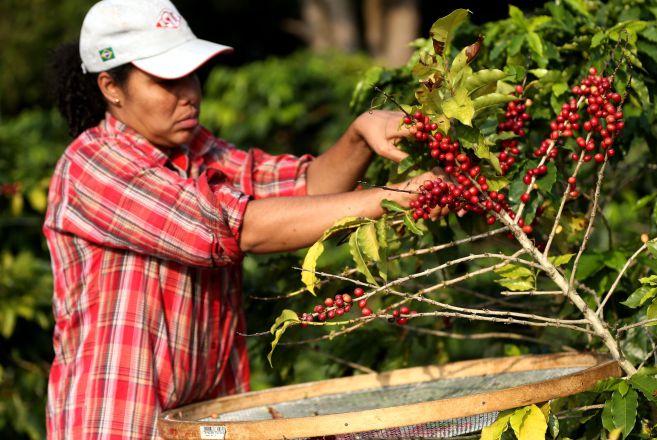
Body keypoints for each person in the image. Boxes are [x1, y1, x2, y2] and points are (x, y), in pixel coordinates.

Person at [44, 0, 438, 438]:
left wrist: (360, 135)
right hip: (120, 423)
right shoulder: (94, 165)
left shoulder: (202, 153)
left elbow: (304, 189)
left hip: (202, 422)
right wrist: (391, 197)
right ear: (110, 87)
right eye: (167, 81)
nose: (190, 93)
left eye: (192, 76)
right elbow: (235, 227)